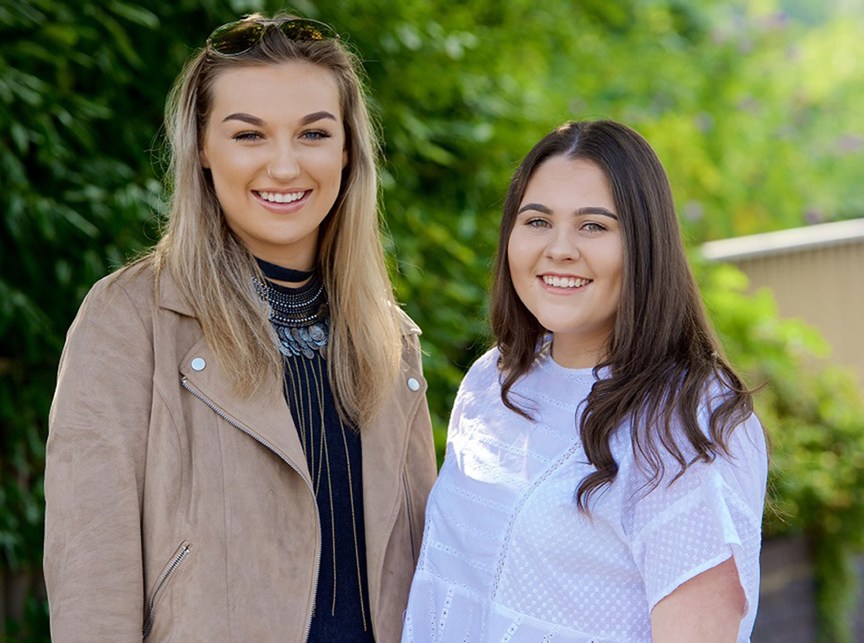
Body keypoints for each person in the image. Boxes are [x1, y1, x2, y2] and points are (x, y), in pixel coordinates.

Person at [43, 13, 437, 642]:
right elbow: (92, 573)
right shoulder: (129, 319)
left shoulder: (391, 339)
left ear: (346, 149)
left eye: (313, 133)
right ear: (202, 148)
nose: (284, 167)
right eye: (249, 135)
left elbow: (427, 577)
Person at [403, 120, 768, 642]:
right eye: (536, 221)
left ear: (645, 244)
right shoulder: (492, 382)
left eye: (594, 226)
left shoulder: (687, 421)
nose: (559, 249)